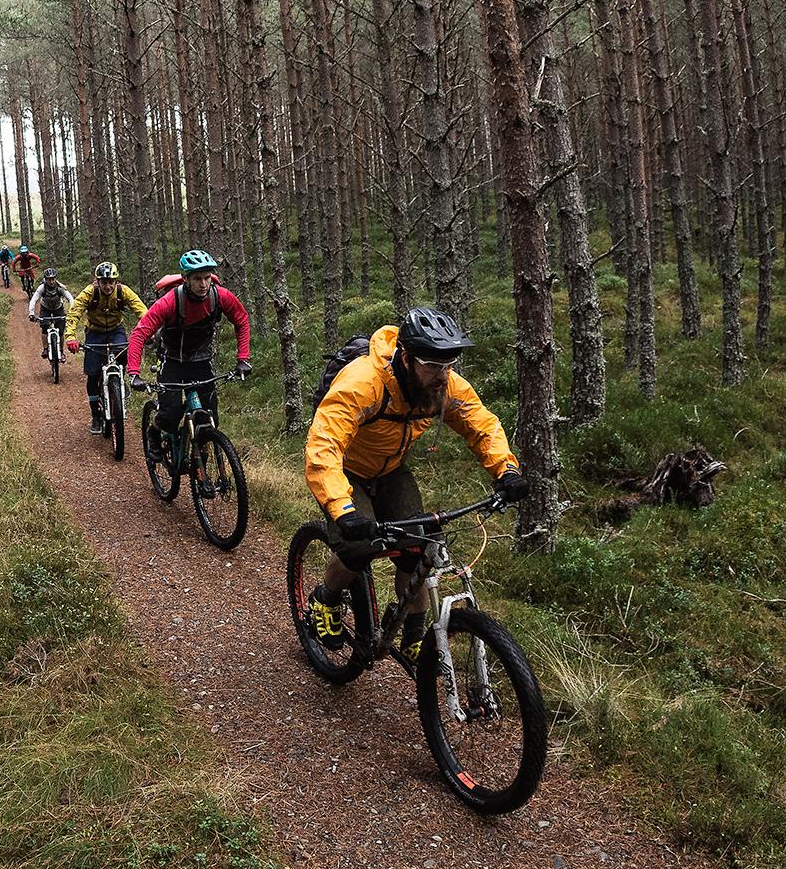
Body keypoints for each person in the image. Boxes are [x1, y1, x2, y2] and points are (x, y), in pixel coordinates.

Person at [301, 305, 528, 669]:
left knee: (419, 547)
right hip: (345, 470)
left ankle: (413, 637)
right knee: (358, 547)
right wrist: (343, 509)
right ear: (405, 358)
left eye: (449, 364)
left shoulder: (444, 384)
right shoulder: (363, 382)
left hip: (390, 469)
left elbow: (480, 423)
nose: (443, 375)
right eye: (433, 365)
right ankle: (325, 598)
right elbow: (324, 445)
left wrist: (506, 471)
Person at [125, 249, 251, 450]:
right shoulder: (170, 301)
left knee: (210, 419)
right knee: (170, 415)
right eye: (197, 278)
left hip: (201, 361)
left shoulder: (221, 296)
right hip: (172, 361)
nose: (203, 284)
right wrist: (134, 373)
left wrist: (243, 358)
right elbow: (139, 333)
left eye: (207, 278)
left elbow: (242, 320)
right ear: (185, 279)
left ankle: (200, 467)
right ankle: (154, 431)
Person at [65, 261, 148, 434]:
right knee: (93, 374)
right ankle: (95, 415)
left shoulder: (123, 292)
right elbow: (75, 312)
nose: (108, 286)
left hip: (115, 330)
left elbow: (141, 310)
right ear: (97, 282)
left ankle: (120, 380)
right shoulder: (90, 293)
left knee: (124, 352)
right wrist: (71, 336)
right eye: (104, 282)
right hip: (95, 333)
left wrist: (150, 330)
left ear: (116, 281)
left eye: (112, 282)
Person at [27, 268, 73, 364]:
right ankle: (45, 349)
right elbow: (34, 300)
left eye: (53, 279)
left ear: (55, 279)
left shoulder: (59, 287)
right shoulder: (42, 288)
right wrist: (31, 313)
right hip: (45, 309)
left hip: (58, 309)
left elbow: (70, 298)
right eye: (49, 279)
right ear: (45, 279)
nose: (51, 281)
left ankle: (61, 352)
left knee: (60, 331)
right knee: (44, 328)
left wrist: (72, 312)